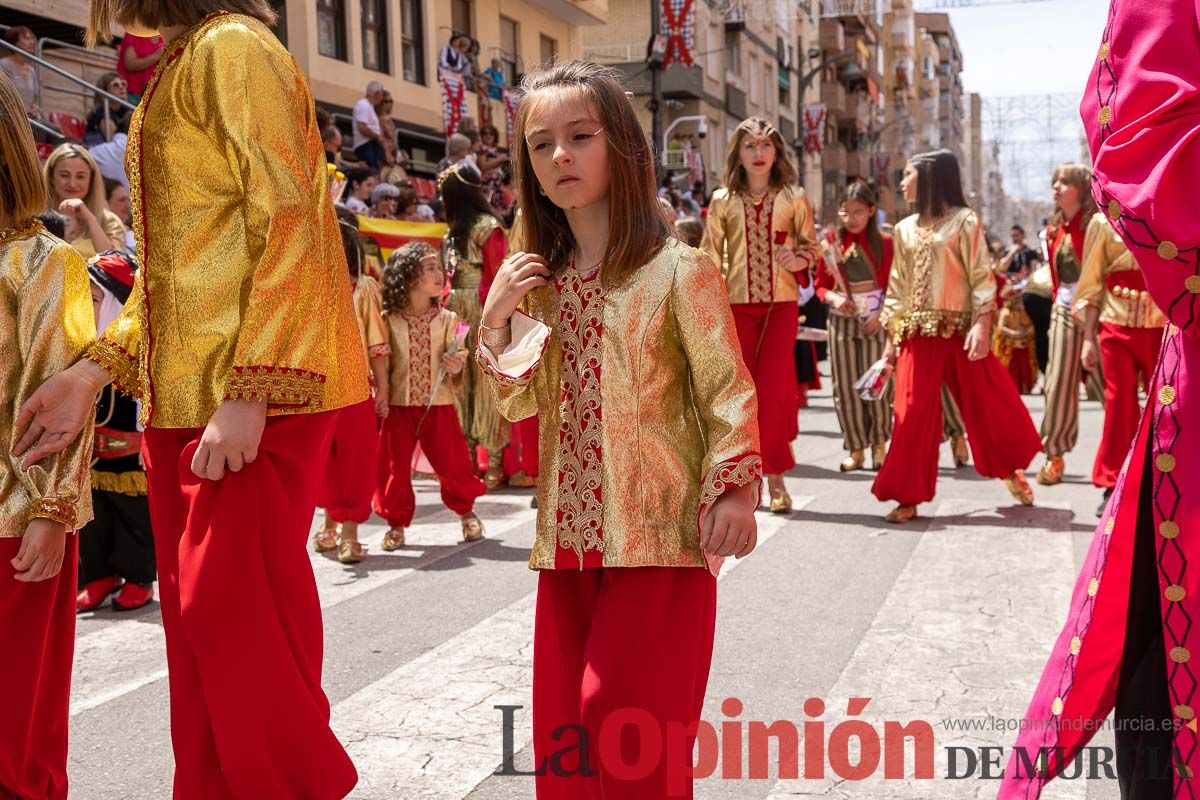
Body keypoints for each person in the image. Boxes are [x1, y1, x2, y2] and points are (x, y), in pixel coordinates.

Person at [17, 8, 366, 797]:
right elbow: (174, 266)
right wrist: (91, 373)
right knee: (204, 637)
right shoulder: (186, 61)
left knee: (234, 623)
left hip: (254, 392)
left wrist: (253, 386)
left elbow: (291, 215)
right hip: (186, 399)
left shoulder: (233, 46)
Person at [476, 59, 760, 799]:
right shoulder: (541, 286)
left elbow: (727, 389)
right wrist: (497, 319)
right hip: (568, 542)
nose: (560, 155)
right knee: (566, 740)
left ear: (623, 147)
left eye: (580, 136)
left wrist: (734, 490)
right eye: (541, 145)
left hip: (661, 535)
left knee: (625, 726)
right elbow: (515, 406)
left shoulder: (679, 270)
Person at [999, 0, 1200, 795]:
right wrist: (1074, 324)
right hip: (1128, 320)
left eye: (1060, 183)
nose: (1058, 189)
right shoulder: (1075, 230)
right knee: (1112, 409)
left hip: (1154, 319)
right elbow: (1145, 148)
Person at [0, 70, 94, 800]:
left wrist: (52, 511)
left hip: (15, 524)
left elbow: (59, 402)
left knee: (17, 736)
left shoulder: (44, 262)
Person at [871, 150, 1041, 523]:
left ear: (930, 177)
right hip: (916, 333)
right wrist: (889, 345)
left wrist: (982, 324)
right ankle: (908, 494)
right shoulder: (902, 230)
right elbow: (896, 288)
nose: (902, 182)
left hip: (962, 330)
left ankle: (1011, 469)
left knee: (989, 406)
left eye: (908, 174)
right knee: (911, 413)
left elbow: (981, 276)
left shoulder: (965, 221)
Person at [701, 116, 820, 513]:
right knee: (739, 394)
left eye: (766, 145)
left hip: (781, 306)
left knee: (772, 390)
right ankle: (739, 479)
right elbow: (708, 256)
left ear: (777, 152)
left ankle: (776, 478)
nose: (758, 153)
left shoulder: (793, 196)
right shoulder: (721, 201)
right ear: (738, 152)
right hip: (733, 306)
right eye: (750, 146)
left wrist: (797, 255)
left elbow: (812, 249)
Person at [373, 242, 486, 548]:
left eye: (439, 267)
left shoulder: (449, 319)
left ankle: (466, 513)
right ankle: (395, 523)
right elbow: (380, 360)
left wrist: (455, 362)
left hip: (439, 404)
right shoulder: (388, 320)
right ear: (409, 276)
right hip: (399, 406)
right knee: (395, 468)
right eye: (430, 268)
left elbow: (459, 351)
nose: (440, 274)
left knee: (452, 464)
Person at [76, 250, 156, 612]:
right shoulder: (80, 345)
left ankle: (138, 578)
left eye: (94, 299)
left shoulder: (140, 350)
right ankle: (98, 576)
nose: (87, 307)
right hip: (90, 456)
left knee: (133, 517)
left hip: (128, 453)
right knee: (93, 518)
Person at [1076, 200, 1166, 516]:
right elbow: (1090, 283)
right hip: (1115, 325)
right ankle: (1113, 481)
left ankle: (1162, 479)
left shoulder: (1170, 213)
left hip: (1162, 323)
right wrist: (1088, 338)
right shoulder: (1102, 223)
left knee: (1166, 404)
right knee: (1118, 403)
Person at [313, 213, 390, 564]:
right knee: (323, 461)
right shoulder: (308, 287)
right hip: (318, 390)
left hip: (358, 388)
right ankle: (329, 521)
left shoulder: (365, 289)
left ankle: (350, 533)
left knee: (356, 460)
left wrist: (384, 390)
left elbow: (377, 343)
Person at [440, 161, 511, 486]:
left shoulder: (460, 233)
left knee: (472, 379)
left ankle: (483, 458)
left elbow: (494, 274)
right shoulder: (480, 228)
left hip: (466, 310)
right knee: (472, 378)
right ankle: (482, 459)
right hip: (471, 310)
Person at [815, 181, 893, 472]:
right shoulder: (832, 243)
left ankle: (879, 445)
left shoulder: (885, 243)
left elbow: (892, 286)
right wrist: (834, 298)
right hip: (842, 323)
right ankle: (856, 447)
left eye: (858, 212)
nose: (851, 219)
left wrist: (881, 317)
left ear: (872, 211)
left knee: (876, 384)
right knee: (845, 387)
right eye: (845, 213)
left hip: (875, 322)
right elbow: (821, 285)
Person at [1034, 163, 1099, 486]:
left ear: (1082, 189)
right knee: (1058, 381)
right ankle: (1055, 454)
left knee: (1110, 387)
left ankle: (1137, 453)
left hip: (1098, 312)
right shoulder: (1052, 231)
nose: (1057, 187)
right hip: (1063, 309)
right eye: (1054, 181)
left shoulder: (1097, 225)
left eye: (1065, 182)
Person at [43, 143, 127, 259]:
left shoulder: (109, 221)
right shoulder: (37, 218)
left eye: (80, 177)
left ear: (91, 180)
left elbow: (114, 263)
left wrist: (91, 220)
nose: (72, 184)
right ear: (52, 178)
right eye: (64, 175)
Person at [0, 27, 43, 120]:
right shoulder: (4, 64)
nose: (32, 42)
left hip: (28, 117)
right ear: (15, 42)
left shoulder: (31, 71)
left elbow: (33, 101)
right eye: (27, 38)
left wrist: (34, 108)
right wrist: (20, 110)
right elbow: (3, 96)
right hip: (11, 116)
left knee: (53, 130)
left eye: (32, 38)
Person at [84, 71, 130, 145]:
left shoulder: (124, 110)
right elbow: (113, 141)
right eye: (115, 85)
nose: (121, 87)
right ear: (105, 91)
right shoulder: (102, 111)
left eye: (123, 84)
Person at [115, 31, 164, 102]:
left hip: (151, 95)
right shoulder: (134, 33)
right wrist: (156, 56)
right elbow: (130, 64)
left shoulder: (163, 38)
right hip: (130, 93)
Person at [352, 80, 386, 169]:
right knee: (371, 171)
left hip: (369, 144)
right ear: (377, 93)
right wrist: (377, 137)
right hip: (366, 145)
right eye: (382, 94)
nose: (382, 97)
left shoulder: (368, 106)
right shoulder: (363, 105)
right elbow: (362, 127)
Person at [476, 123, 509, 211]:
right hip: (488, 185)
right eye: (485, 133)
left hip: (497, 185)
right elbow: (483, 166)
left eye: (491, 133)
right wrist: (499, 159)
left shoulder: (495, 149)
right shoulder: (482, 149)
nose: (488, 136)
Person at [103, 178, 136, 254]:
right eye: (122, 200)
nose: (128, 205)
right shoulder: (95, 235)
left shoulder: (133, 236)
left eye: (128, 200)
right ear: (106, 204)